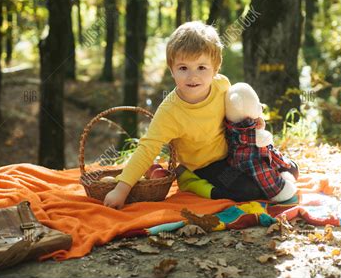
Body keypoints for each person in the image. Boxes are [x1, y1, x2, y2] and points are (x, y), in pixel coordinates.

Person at [104, 21, 288, 209]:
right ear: (172, 70)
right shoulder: (170, 112)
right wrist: (121, 190)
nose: (193, 76)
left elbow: (235, 111)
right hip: (206, 165)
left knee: (284, 173)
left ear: (215, 68)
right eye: (183, 68)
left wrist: (254, 121)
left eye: (202, 67)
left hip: (235, 151)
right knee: (247, 191)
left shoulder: (222, 85)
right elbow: (147, 148)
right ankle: (189, 180)